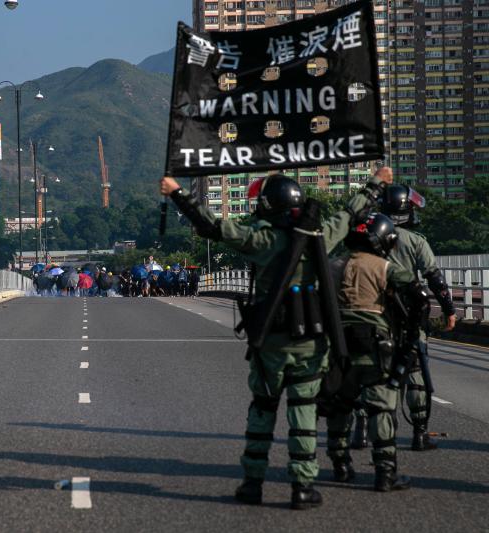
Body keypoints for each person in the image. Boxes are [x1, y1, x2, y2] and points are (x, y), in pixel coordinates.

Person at [161, 168, 389, 510]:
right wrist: (376, 183)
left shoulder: (260, 238)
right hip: (311, 342)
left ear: (267, 204)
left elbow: (211, 225)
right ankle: (302, 486)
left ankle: (253, 482)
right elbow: (350, 212)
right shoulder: (321, 234)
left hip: (270, 341)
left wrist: (178, 192)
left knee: (262, 410)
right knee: (304, 413)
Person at [324, 213, 429, 492]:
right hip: (375, 347)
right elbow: (419, 298)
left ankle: (340, 466)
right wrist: (409, 333)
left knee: (339, 406)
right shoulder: (385, 268)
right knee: (380, 408)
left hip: (338, 347)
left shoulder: (332, 266)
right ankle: (385, 473)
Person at [352, 184, 455, 452]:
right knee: (415, 371)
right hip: (408, 316)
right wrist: (449, 309)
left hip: (372, 314)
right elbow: (434, 277)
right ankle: (420, 434)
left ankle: (361, 431)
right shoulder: (416, 241)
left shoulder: (369, 236)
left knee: (369, 372)